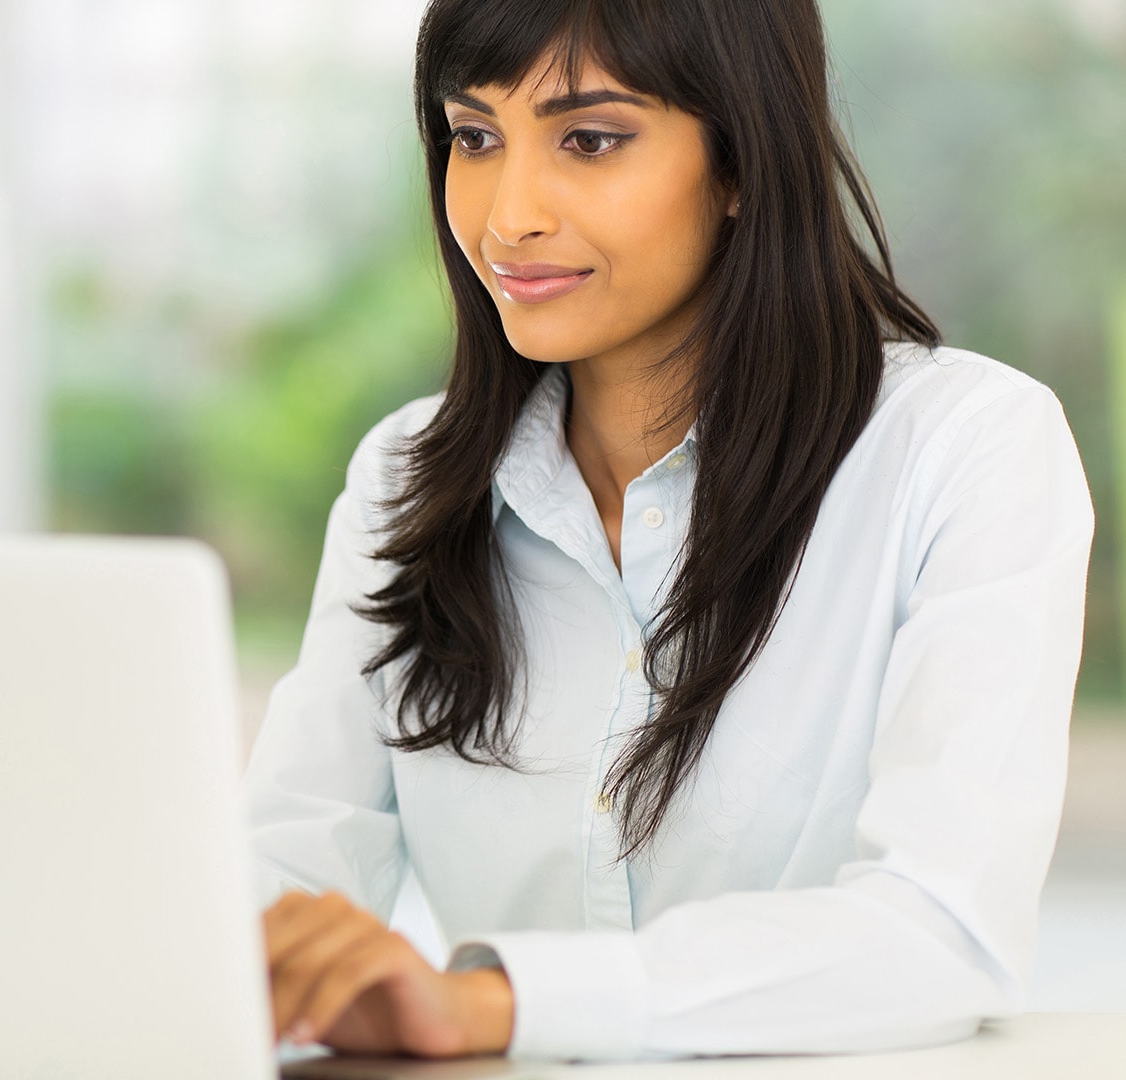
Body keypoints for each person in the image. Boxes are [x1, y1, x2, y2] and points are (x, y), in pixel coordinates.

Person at [245, 0, 1094, 1064]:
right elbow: (279, 877)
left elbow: (939, 927)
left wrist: (501, 1003)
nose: (508, 217)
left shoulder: (966, 451)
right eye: (474, 138)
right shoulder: (405, 479)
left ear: (741, 160)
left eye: (590, 140)